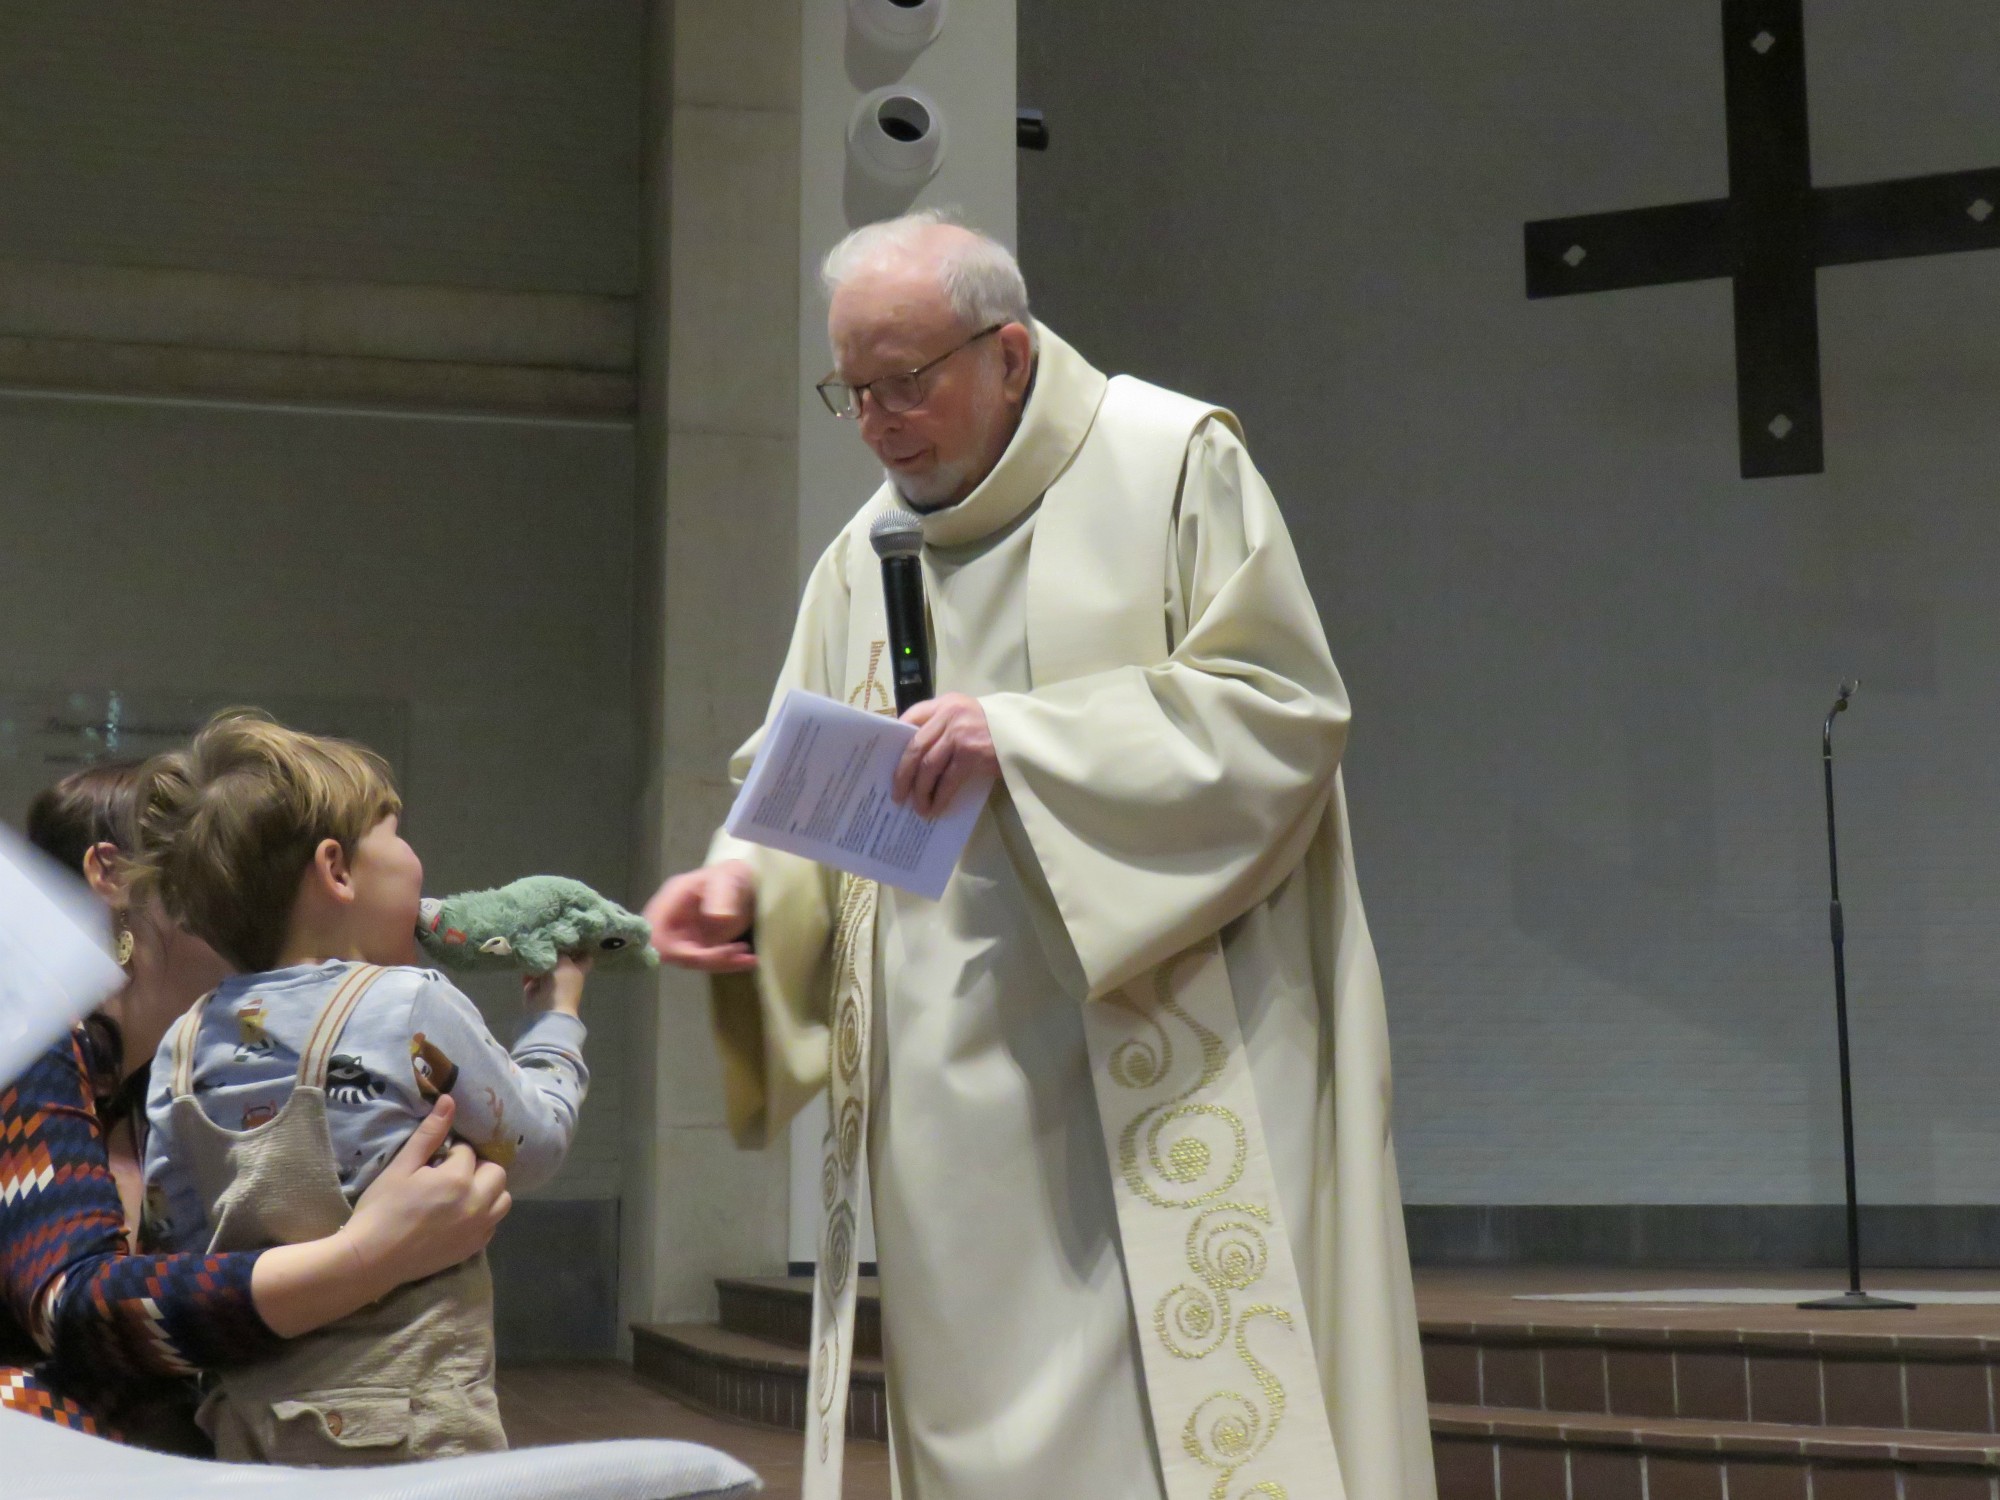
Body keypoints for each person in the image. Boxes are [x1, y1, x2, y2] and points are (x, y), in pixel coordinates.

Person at [646, 210, 1436, 1500]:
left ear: (1007, 352)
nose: (879, 421)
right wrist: (737, 875)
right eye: (852, 389)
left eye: (908, 381)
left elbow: (1284, 710)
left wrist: (1024, 737)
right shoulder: (865, 551)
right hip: (958, 1089)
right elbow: (809, 770)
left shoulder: (1171, 458)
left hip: (1173, 1045)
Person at [1, 761, 509, 1453]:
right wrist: (368, 1256)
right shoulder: (29, 1045)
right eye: (214, 853)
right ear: (113, 876)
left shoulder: (175, 1078)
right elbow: (77, 1311)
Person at [132, 711, 592, 1464]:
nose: (417, 859)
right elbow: (534, 1145)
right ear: (336, 869)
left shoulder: (183, 1042)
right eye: (398, 835)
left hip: (248, 1430)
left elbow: (176, 1244)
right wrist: (556, 1017)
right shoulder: (409, 1004)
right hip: (413, 1424)